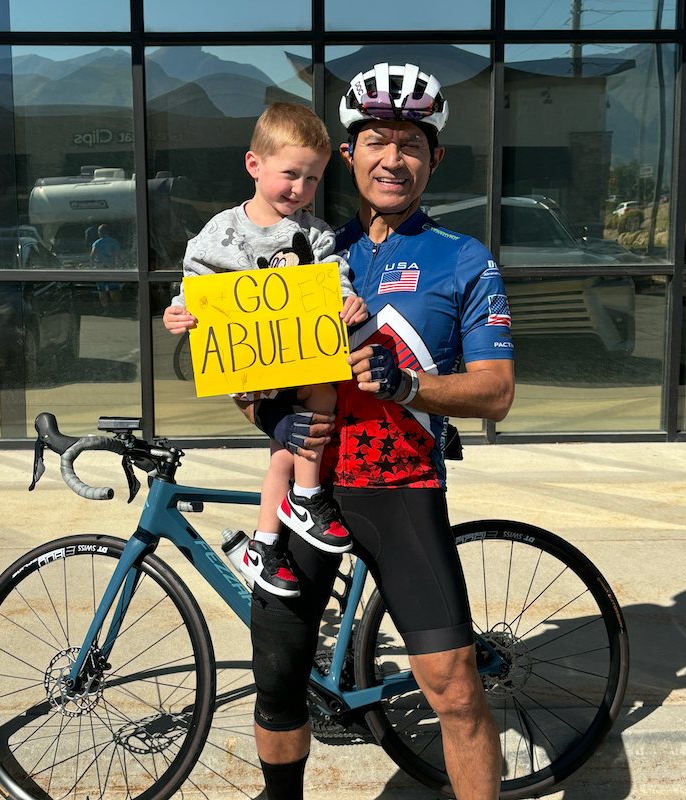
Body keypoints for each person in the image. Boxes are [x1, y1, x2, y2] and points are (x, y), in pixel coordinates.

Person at [241, 63, 515, 800]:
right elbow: (246, 371)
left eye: (411, 144)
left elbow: (496, 392)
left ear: (435, 158)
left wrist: (409, 385)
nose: (393, 158)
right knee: (278, 684)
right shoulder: (302, 248)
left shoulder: (463, 258)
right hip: (309, 497)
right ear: (349, 154)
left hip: (402, 488)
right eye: (376, 141)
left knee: (454, 686)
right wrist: (268, 414)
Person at [162, 102, 368, 598]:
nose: (300, 188)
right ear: (254, 165)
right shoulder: (221, 232)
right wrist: (178, 312)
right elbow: (195, 286)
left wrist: (347, 301)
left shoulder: (315, 233)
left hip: (300, 361)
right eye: (291, 174)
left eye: (313, 178)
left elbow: (333, 278)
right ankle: (304, 501)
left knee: (293, 443)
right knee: (294, 436)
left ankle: (270, 538)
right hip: (249, 373)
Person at [90, 224, 122, 307]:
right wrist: (118, 265)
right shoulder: (114, 241)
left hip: (100, 268)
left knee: (102, 290)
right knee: (114, 289)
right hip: (111, 267)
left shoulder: (97, 243)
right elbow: (118, 255)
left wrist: (93, 262)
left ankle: (105, 307)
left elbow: (92, 255)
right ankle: (117, 307)